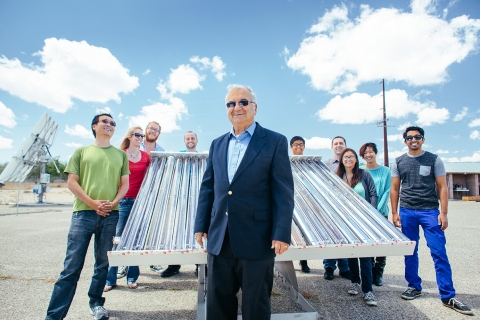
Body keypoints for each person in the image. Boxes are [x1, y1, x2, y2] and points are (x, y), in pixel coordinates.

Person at [194, 84, 294, 320]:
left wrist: (281, 232)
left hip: (257, 238)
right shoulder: (217, 144)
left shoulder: (274, 141)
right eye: (231, 103)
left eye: (243, 102)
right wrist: (200, 225)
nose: (237, 107)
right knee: (218, 303)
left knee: (255, 304)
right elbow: (208, 187)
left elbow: (283, 191)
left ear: (255, 107)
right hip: (220, 238)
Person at [45, 113, 129, 320]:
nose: (109, 125)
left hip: (110, 215)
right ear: (94, 126)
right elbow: (72, 182)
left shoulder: (120, 156)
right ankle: (54, 315)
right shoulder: (81, 152)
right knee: (71, 267)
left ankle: (96, 303)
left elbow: (124, 184)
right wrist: (93, 203)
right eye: (105, 122)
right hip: (83, 214)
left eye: (113, 123)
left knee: (102, 264)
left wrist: (113, 203)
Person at [391, 126, 473, 315]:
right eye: (410, 137)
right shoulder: (398, 162)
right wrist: (395, 213)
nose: (414, 139)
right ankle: (413, 286)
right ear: (405, 141)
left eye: (417, 137)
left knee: (438, 252)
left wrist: (443, 213)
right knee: (410, 251)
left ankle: (447, 295)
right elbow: (395, 188)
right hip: (407, 211)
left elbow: (442, 187)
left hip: (430, 212)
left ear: (423, 139)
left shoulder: (434, 159)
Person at [104, 127, 150, 291]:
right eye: (137, 135)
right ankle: (110, 279)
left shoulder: (146, 156)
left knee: (135, 241)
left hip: (140, 203)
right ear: (129, 137)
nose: (140, 137)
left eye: (142, 135)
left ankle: (132, 278)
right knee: (118, 240)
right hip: (122, 201)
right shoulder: (119, 154)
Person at [337, 148, 378, 307]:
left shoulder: (364, 174)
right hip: (346, 219)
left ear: (356, 159)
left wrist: (371, 212)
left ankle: (368, 290)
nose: (348, 159)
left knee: (365, 254)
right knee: (351, 252)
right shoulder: (338, 176)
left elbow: (373, 194)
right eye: (346, 157)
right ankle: (355, 282)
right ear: (342, 160)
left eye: (351, 156)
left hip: (363, 219)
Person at [161, 131, 199, 278]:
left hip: (197, 198)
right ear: (184, 141)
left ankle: (200, 265)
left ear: (197, 140)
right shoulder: (178, 156)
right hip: (180, 198)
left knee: (198, 230)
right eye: (188, 138)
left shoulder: (202, 157)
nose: (190, 140)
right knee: (177, 230)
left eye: (192, 138)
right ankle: (174, 265)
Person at [359, 142, 391, 286]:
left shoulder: (385, 171)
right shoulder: (359, 170)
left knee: (381, 243)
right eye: (365, 153)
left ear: (376, 153)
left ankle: (379, 272)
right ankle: (369, 271)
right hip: (364, 214)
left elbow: (386, 191)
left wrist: (376, 210)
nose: (368, 155)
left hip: (381, 213)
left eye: (371, 152)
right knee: (368, 243)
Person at [138, 120, 164, 275]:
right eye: (151, 128)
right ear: (146, 130)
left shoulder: (161, 151)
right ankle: (126, 264)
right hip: (135, 191)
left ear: (159, 133)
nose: (153, 131)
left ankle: (153, 262)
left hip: (152, 193)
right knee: (130, 227)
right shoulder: (135, 145)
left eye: (156, 129)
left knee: (152, 229)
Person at [322, 136, 350, 280]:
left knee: (345, 236)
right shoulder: (325, 164)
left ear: (345, 145)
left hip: (347, 206)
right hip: (330, 205)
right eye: (336, 143)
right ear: (332, 146)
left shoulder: (351, 162)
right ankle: (329, 267)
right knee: (331, 236)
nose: (339, 145)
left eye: (341, 143)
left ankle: (344, 268)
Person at [290, 136, 310, 274]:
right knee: (291, 233)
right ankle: (287, 259)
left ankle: (304, 261)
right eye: (296, 144)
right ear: (291, 146)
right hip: (290, 200)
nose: (299, 147)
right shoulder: (285, 162)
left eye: (301, 144)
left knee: (305, 232)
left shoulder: (308, 163)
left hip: (305, 203)